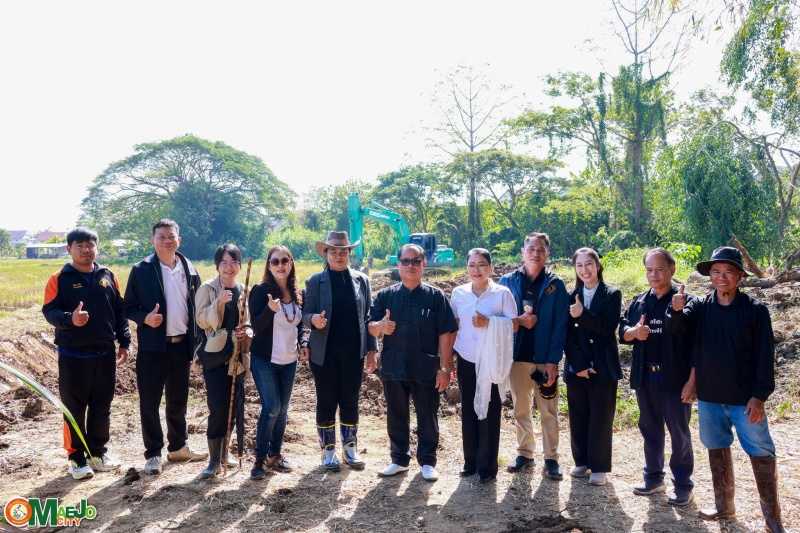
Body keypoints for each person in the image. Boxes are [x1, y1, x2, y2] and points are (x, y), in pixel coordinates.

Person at [667, 246, 784, 532]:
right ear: (710, 276)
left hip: (745, 399)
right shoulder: (700, 307)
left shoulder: (755, 311)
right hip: (709, 397)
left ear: (740, 276)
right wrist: (675, 309)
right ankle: (724, 507)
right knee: (716, 448)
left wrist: (760, 396)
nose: (721, 277)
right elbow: (677, 330)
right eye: (716, 271)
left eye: (728, 272)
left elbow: (765, 356)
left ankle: (772, 519)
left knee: (761, 452)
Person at [42, 227, 131, 480]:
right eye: (79, 245)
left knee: (102, 406)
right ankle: (77, 459)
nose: (85, 250)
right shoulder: (59, 278)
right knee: (74, 409)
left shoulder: (108, 275)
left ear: (97, 247)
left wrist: (124, 341)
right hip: (73, 355)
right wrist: (70, 319)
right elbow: (49, 311)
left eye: (90, 245)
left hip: (105, 354)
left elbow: (120, 311)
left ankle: (97, 454)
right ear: (69, 249)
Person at [368, 243, 458, 482]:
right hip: (394, 365)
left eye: (416, 261)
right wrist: (380, 326)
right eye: (405, 261)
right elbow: (371, 326)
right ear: (398, 264)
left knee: (427, 415)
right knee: (396, 414)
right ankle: (399, 459)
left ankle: (427, 461)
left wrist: (445, 367)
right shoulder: (386, 296)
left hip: (425, 367)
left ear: (424, 264)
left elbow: (445, 334)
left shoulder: (436, 297)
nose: (411, 265)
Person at [124, 219, 206, 475]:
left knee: (178, 400)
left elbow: (198, 307)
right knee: (149, 402)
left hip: (181, 346)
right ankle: (153, 454)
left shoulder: (189, 269)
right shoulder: (141, 270)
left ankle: (178, 447)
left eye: (171, 236)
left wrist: (197, 343)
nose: (167, 241)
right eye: (161, 236)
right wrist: (145, 318)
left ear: (179, 240)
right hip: (152, 348)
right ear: (153, 241)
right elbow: (128, 307)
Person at [619, 248, 695, 505]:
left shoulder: (686, 301)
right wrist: (633, 333)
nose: (654, 275)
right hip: (645, 376)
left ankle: (683, 485)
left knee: (679, 433)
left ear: (672, 270)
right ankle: (653, 479)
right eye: (649, 270)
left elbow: (696, 344)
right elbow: (622, 330)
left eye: (659, 269)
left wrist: (692, 381)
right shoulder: (640, 301)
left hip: (674, 378)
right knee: (650, 430)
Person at [303, 232, 376, 472]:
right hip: (324, 353)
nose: (338, 256)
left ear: (349, 254)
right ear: (325, 254)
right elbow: (305, 314)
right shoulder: (314, 282)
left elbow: (368, 317)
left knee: (350, 400)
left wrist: (372, 350)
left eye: (343, 251)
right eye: (333, 251)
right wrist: (314, 320)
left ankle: (350, 450)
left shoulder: (362, 280)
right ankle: (328, 452)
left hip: (354, 352)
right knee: (326, 400)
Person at [498, 232, 569, 480]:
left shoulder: (556, 285)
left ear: (547, 254)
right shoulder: (507, 281)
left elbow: (560, 325)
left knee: (548, 409)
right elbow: (499, 316)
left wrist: (553, 361)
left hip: (544, 359)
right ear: (522, 252)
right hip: (517, 357)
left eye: (541, 250)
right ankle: (525, 454)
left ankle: (551, 458)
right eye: (531, 249)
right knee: (520, 408)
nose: (535, 254)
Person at [450, 248, 517, 483]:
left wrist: (489, 322)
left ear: (490, 268)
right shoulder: (458, 294)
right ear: (466, 268)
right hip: (466, 356)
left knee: (490, 410)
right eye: (472, 265)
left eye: (481, 265)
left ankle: (487, 467)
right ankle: (470, 462)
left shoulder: (502, 293)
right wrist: (447, 359)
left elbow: (515, 324)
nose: (476, 270)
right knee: (468, 409)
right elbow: (453, 325)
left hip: (492, 359)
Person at [563, 247, 622, 486]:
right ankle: (582, 461)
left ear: (598, 266)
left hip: (603, 366)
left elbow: (607, 328)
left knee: (601, 416)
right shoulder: (570, 295)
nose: (584, 269)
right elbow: (566, 334)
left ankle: (599, 466)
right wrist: (578, 365)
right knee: (578, 415)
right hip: (576, 366)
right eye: (579, 265)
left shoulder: (612, 294)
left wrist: (582, 314)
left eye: (589, 264)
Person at [249, 245, 309, 478]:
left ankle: (275, 455)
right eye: (275, 261)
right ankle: (260, 459)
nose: (280, 265)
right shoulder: (260, 291)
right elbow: (256, 325)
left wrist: (304, 343)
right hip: (264, 360)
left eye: (285, 260)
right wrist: (269, 310)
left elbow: (300, 324)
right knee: (272, 407)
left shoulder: (298, 293)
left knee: (283, 410)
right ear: (269, 265)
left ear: (291, 263)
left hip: (289, 361)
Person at [194, 243, 249, 479]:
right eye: (224, 262)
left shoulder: (244, 290)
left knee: (233, 406)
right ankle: (213, 460)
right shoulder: (207, 288)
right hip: (215, 356)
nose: (229, 267)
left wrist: (246, 332)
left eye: (234, 262)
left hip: (237, 356)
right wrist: (218, 302)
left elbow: (248, 322)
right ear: (217, 265)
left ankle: (226, 453)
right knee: (217, 406)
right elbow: (200, 320)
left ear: (239, 265)